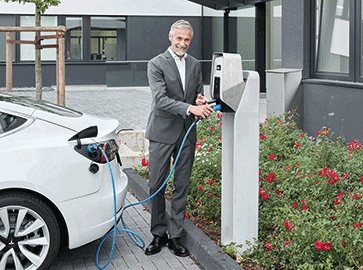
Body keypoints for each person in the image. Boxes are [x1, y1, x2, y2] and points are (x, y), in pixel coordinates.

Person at [144, 19, 214, 257]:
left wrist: (200, 101)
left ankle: (175, 237)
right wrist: (190, 108)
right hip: (162, 133)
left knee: (181, 186)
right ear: (171, 37)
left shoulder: (194, 64)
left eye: (187, 40)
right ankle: (157, 234)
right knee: (156, 184)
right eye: (179, 38)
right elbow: (160, 100)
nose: (183, 43)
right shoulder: (155, 64)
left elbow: (195, 93)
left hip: (186, 132)